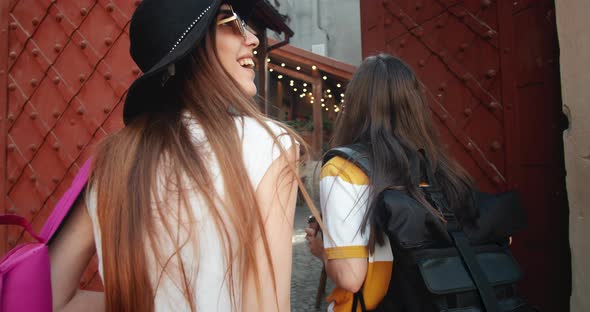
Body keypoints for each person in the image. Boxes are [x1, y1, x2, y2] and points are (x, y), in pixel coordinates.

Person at [48, 0, 319, 311]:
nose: (252, 38)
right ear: (191, 49)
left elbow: (54, 297)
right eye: (228, 22)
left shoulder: (113, 159)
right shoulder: (269, 144)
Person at [306, 54, 477, 311]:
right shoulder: (440, 168)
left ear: (354, 106)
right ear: (415, 106)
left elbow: (351, 278)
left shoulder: (343, 169)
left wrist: (322, 251)